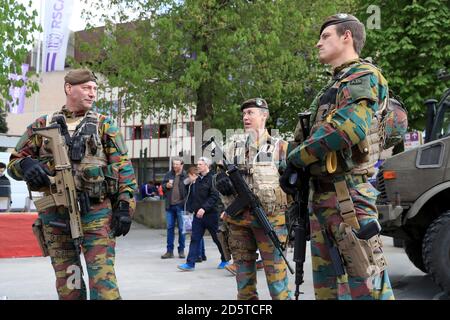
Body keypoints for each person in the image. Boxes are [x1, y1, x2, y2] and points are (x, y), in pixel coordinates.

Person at [283, 14, 394, 300]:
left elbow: (348, 129)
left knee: (366, 287)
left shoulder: (362, 76)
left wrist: (296, 158)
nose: (318, 43)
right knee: (329, 291)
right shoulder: (332, 86)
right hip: (322, 198)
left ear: (347, 37)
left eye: (325, 36)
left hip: (348, 200)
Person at [7, 68, 137, 300]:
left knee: (103, 285)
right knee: (70, 286)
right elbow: (14, 163)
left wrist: (125, 207)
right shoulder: (42, 125)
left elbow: (124, 169)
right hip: (56, 217)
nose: (92, 94)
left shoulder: (104, 125)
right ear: (69, 88)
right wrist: (26, 165)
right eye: (87, 88)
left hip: (95, 215)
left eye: (95, 89)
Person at [215, 98, 292, 300]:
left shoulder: (280, 147)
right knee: (244, 286)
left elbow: (293, 184)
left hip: (270, 221)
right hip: (238, 222)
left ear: (264, 115)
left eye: (251, 113)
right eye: (244, 114)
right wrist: (220, 178)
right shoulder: (232, 146)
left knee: (277, 284)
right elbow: (218, 172)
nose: (245, 117)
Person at [178, 157, 228, 271]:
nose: (198, 166)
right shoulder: (197, 179)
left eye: (200, 164)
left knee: (217, 238)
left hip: (211, 215)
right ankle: (190, 264)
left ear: (207, 166)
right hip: (198, 216)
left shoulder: (213, 178)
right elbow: (192, 195)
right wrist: (192, 209)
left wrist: (204, 209)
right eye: (198, 164)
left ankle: (225, 259)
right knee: (195, 238)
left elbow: (214, 196)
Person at [161, 157, 187, 259]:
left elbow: (189, 191)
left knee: (182, 229)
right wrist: (165, 185)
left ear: (182, 165)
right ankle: (169, 251)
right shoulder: (168, 174)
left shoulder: (185, 176)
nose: (175, 166)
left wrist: (184, 203)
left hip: (181, 206)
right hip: (169, 206)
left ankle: (181, 250)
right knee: (169, 228)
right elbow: (162, 187)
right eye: (174, 164)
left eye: (177, 164)